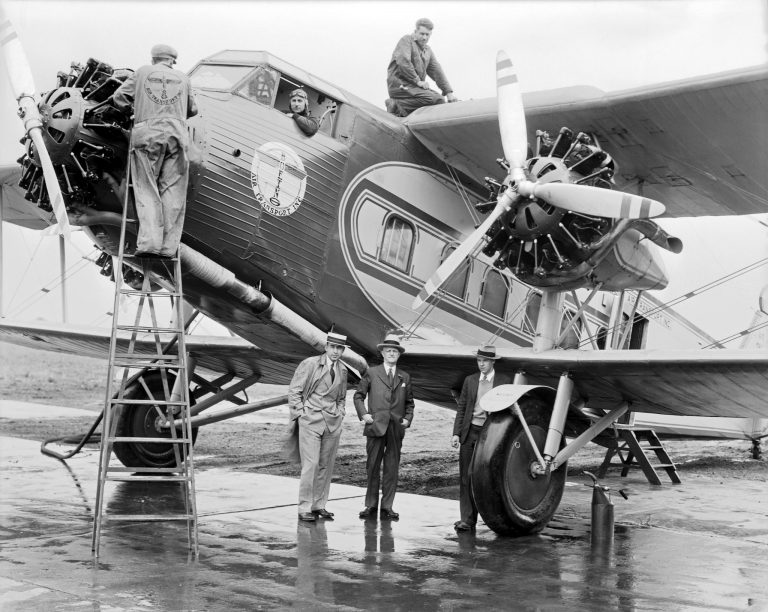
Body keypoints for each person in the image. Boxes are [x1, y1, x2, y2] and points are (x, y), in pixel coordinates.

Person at [111, 44, 198, 258]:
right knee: (173, 191)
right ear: (172, 61)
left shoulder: (142, 72)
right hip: (177, 136)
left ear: (153, 59)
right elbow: (193, 109)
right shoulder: (183, 78)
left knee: (147, 189)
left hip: (147, 133)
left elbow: (119, 98)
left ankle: (150, 244)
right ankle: (168, 249)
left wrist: (136, 108)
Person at [287, 330, 349, 522]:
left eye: (340, 348)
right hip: (311, 421)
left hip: (332, 423)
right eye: (333, 347)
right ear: (326, 347)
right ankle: (304, 507)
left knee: (325, 466)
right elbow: (295, 391)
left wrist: (340, 413)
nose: (336, 351)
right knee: (311, 465)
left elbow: (341, 397)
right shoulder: (310, 364)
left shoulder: (343, 370)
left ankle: (319, 505)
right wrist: (301, 414)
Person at [354, 334, 415, 520]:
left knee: (391, 468)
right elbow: (358, 396)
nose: (391, 353)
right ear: (382, 352)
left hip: (396, 428)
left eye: (395, 351)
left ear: (399, 354)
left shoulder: (404, 376)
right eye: (388, 350)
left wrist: (407, 419)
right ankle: (370, 505)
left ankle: (387, 506)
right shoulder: (372, 373)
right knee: (372, 466)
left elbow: (410, 403)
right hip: (375, 426)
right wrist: (364, 414)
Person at [451, 345, 511, 531]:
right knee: (465, 476)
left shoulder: (504, 381)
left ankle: (495, 518)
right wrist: (456, 433)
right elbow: (462, 408)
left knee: (487, 478)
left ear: (493, 362)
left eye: (485, 361)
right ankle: (467, 520)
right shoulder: (470, 380)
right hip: (470, 432)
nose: (481, 364)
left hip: (490, 435)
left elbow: (508, 411)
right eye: (479, 360)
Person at [385, 17, 458, 117]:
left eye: (427, 35)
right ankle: (396, 105)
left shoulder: (427, 50)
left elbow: (437, 70)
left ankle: (405, 110)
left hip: (414, 87)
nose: (424, 38)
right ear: (415, 31)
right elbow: (403, 62)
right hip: (400, 86)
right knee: (435, 99)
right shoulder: (406, 40)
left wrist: (448, 92)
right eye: (422, 34)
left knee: (440, 100)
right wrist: (418, 81)